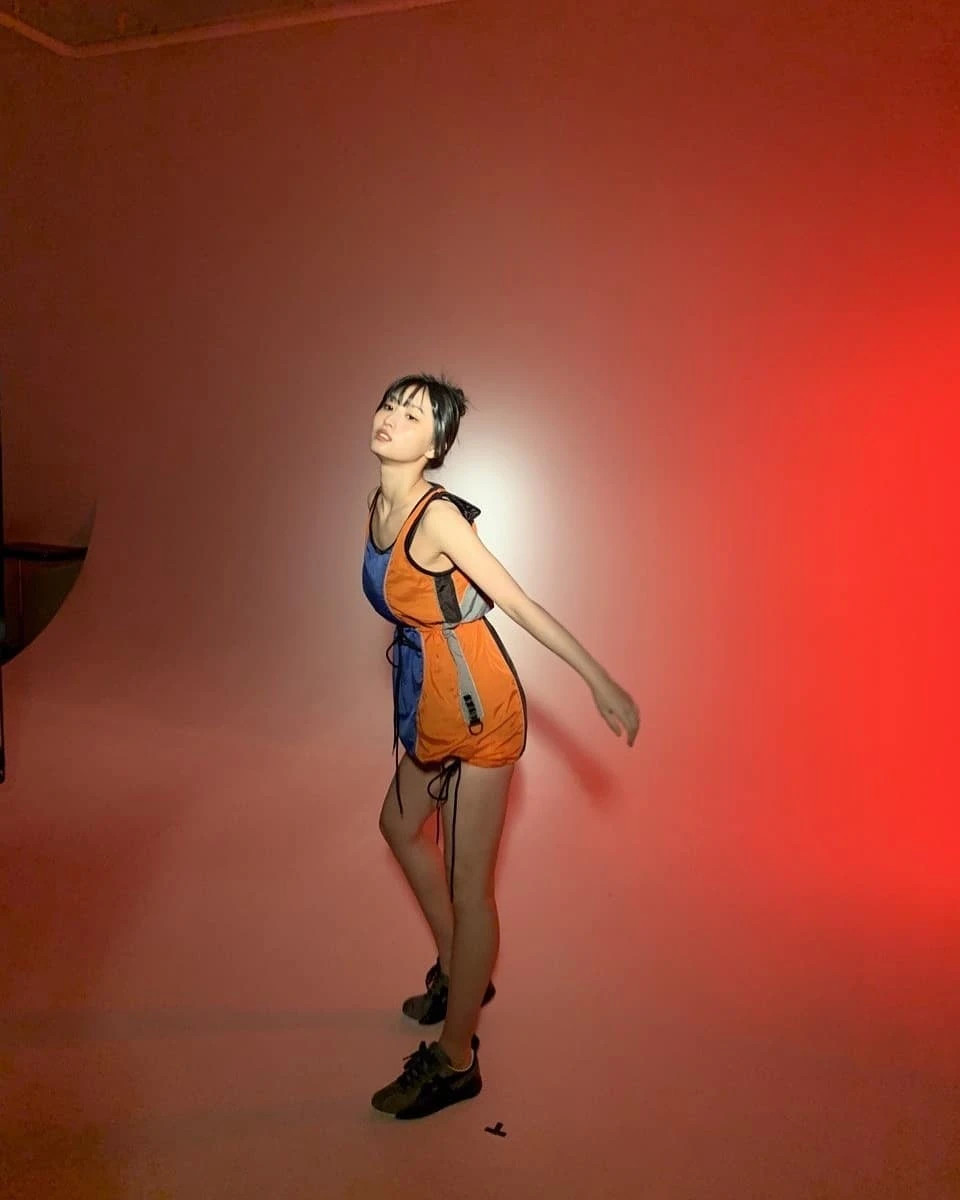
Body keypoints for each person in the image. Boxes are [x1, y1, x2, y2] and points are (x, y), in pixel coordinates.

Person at [363, 372, 639, 1120]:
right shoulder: (379, 503)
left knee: (469, 884)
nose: (392, 418)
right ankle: (462, 970)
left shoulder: (437, 518)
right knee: (397, 826)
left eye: (414, 415)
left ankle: (456, 1060)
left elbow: (515, 601)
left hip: (480, 705)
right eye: (391, 404)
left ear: (436, 445)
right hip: (431, 694)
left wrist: (599, 680)